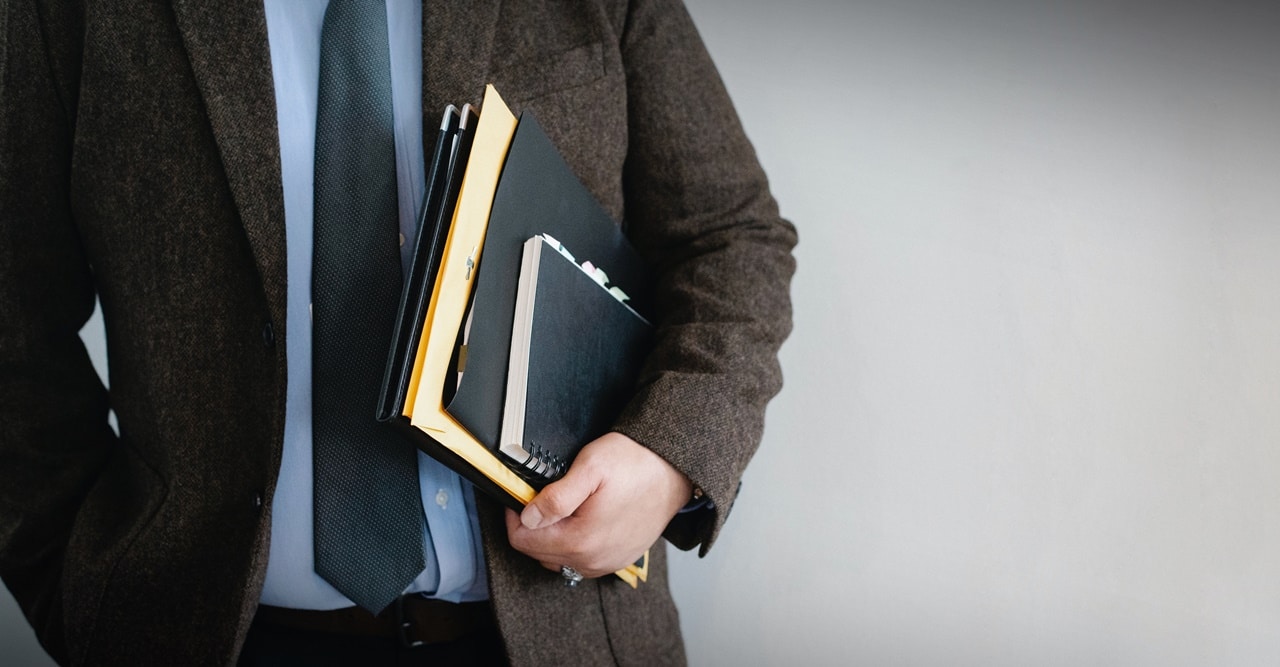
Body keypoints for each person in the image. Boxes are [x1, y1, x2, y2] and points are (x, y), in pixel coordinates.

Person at [0, 0, 796, 664]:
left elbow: (728, 235)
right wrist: (82, 599)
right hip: (209, 635)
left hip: (563, 630)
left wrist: (670, 457)